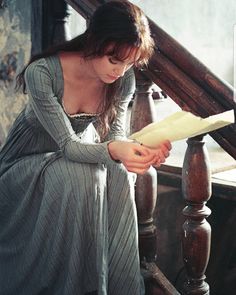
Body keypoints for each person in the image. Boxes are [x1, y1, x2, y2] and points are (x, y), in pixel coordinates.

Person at [0, 1, 171, 294]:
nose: (120, 71)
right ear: (95, 41)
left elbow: (116, 139)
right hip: (23, 167)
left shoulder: (123, 79)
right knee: (83, 175)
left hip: (74, 157)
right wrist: (116, 150)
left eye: (129, 63)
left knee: (117, 172)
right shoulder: (42, 73)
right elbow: (68, 146)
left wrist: (144, 149)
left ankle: (114, 287)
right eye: (114, 60)